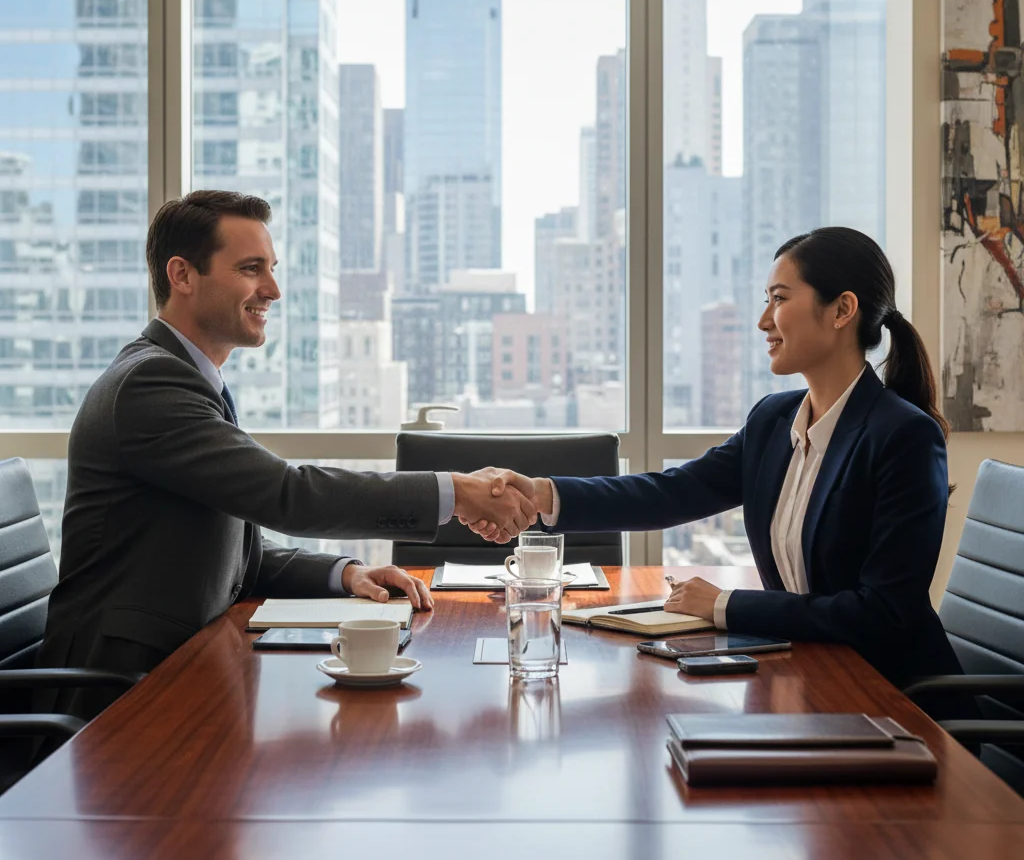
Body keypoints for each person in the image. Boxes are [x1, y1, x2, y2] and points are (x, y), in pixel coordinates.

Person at [38, 189, 536, 719]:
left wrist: (344, 574)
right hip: (121, 692)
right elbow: (287, 494)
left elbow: (229, 548)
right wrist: (454, 492)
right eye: (252, 269)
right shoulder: (150, 385)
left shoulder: (183, 378)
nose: (272, 290)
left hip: (183, 667)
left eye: (271, 269)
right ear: (182, 275)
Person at [471, 227, 962, 689]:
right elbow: (673, 493)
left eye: (780, 299)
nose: (763, 320)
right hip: (807, 674)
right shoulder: (774, 421)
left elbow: (883, 615)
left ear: (842, 309)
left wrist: (725, 605)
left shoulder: (903, 437)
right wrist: (541, 494)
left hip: (891, 696)